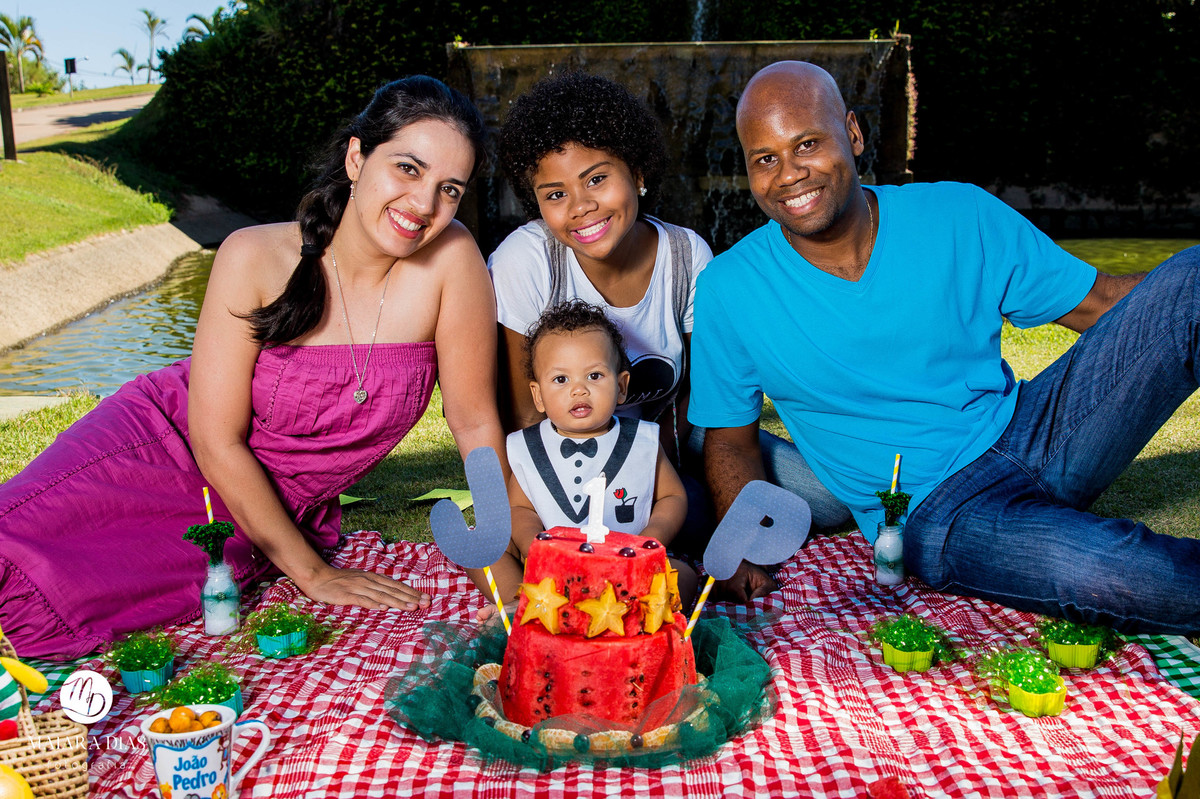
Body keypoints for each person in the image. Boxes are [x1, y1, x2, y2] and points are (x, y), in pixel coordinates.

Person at [0, 76, 505, 659]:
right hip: (160, 447)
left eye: (450, 189)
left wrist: (496, 548)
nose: (424, 206)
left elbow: (471, 421)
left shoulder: (453, 259)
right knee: (17, 548)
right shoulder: (252, 255)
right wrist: (311, 574)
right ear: (356, 156)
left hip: (261, 514)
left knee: (76, 611)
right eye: (408, 169)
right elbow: (215, 438)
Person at [688, 59, 1200, 632]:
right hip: (937, 510)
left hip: (1038, 427)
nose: (788, 174)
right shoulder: (730, 289)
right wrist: (740, 544)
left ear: (852, 135)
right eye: (765, 159)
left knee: (1193, 280)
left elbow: (1104, 305)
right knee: (1113, 571)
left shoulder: (959, 213)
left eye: (806, 143)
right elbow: (730, 440)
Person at [488, 70, 848, 558]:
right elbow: (526, 412)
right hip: (568, 444)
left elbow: (704, 395)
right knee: (683, 523)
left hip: (670, 441)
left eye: (597, 178)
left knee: (827, 502)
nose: (581, 206)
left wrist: (663, 480)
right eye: (555, 194)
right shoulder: (525, 262)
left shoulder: (686, 256)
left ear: (637, 174)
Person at [485, 299, 695, 611]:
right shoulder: (528, 447)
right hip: (553, 571)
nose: (579, 389)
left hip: (625, 568)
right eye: (561, 379)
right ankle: (521, 605)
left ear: (622, 386)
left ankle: (637, 612)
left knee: (687, 576)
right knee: (486, 552)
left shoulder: (641, 440)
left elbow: (672, 498)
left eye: (594, 376)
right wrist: (535, 545)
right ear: (538, 395)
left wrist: (649, 541)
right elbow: (518, 508)